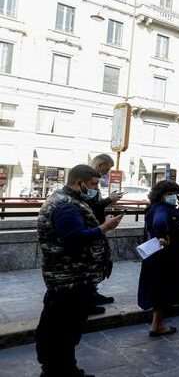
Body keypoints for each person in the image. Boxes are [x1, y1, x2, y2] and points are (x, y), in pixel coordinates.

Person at [36, 165, 123, 377]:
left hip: (69, 278)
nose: (95, 188)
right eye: (93, 184)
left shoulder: (65, 199)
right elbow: (73, 239)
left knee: (60, 329)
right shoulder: (66, 206)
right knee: (64, 330)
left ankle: (63, 370)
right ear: (79, 182)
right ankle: (60, 372)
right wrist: (105, 227)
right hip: (70, 279)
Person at [138, 181, 179, 337]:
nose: (173, 197)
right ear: (161, 194)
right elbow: (160, 222)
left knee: (161, 290)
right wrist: (164, 236)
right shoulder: (161, 208)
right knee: (163, 290)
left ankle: (157, 324)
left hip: (160, 255)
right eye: (169, 194)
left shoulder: (159, 207)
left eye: (175, 193)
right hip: (165, 257)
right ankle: (157, 326)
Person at [86, 154, 123, 314]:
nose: (106, 174)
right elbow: (89, 207)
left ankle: (92, 294)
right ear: (100, 164)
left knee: (96, 265)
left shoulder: (91, 179)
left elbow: (94, 206)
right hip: (90, 230)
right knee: (89, 266)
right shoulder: (87, 178)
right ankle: (88, 301)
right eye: (106, 170)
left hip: (97, 227)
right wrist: (109, 200)